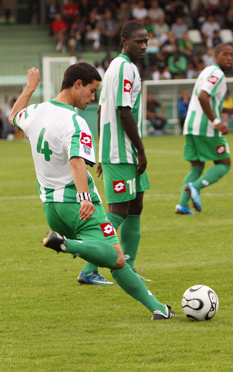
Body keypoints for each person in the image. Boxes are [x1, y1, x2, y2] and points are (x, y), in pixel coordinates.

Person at [8, 64, 176, 320]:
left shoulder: (37, 111)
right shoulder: (75, 122)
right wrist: (85, 198)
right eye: (91, 90)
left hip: (51, 208)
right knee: (118, 258)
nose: (93, 98)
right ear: (77, 84)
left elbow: (14, 116)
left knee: (113, 257)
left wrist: (30, 87)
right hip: (77, 205)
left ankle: (159, 309)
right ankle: (65, 244)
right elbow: (77, 161)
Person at [79, 21, 151, 285]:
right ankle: (88, 269)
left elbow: (100, 111)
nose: (143, 45)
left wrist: (100, 151)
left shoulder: (120, 68)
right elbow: (123, 110)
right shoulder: (122, 68)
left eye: (146, 41)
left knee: (135, 206)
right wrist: (140, 150)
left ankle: (128, 266)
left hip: (124, 152)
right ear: (124, 41)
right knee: (118, 210)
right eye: (137, 41)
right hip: (123, 153)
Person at [176, 43, 233, 215]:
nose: (229, 58)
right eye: (225, 54)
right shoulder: (217, 73)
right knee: (224, 163)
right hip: (206, 127)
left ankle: (182, 205)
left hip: (191, 125)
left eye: (231, 55)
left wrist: (227, 109)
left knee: (196, 167)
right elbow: (203, 96)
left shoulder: (206, 71)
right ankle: (195, 187)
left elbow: (205, 99)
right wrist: (216, 121)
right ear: (216, 55)